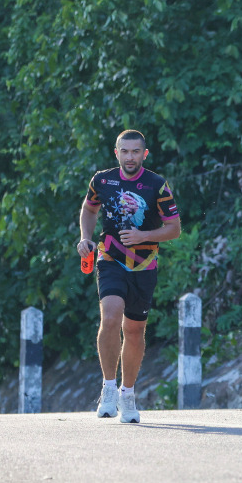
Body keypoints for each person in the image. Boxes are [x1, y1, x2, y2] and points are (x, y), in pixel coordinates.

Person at [77, 130, 181, 423]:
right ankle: (108, 387)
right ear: (116, 153)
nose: (130, 157)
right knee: (110, 316)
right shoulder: (102, 180)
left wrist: (143, 235)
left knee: (134, 330)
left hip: (144, 264)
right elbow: (89, 208)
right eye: (125, 151)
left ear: (144, 154)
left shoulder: (157, 185)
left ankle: (128, 392)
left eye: (136, 152)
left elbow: (174, 228)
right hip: (109, 257)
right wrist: (85, 237)